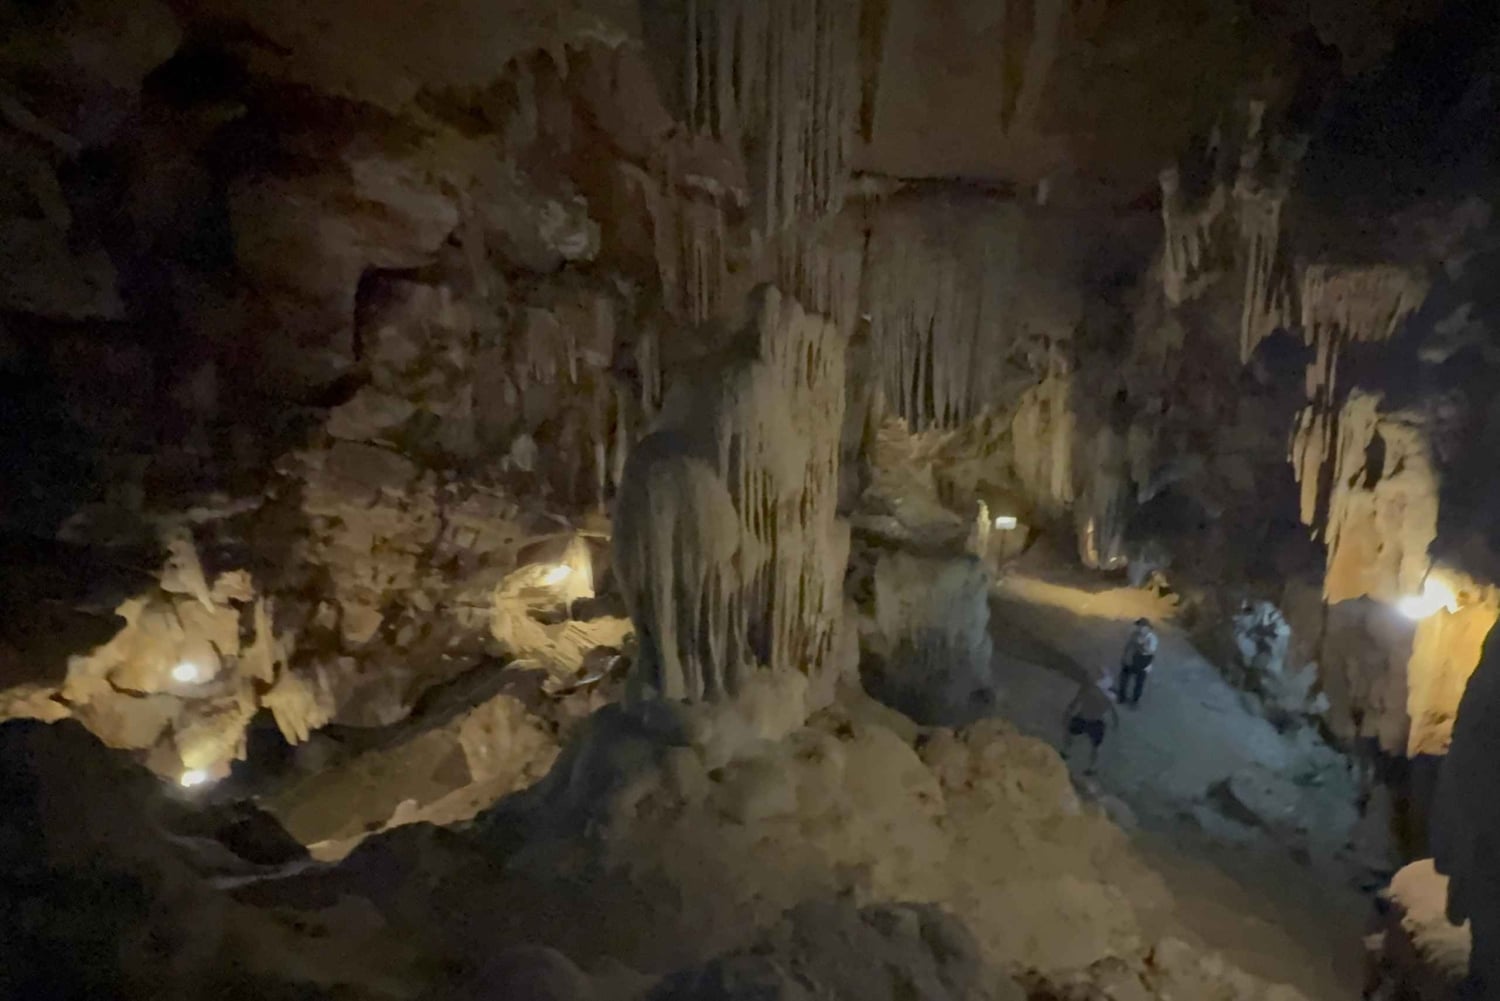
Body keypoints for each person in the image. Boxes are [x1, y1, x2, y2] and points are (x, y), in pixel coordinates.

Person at [1062, 674, 1120, 775]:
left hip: (1082, 718)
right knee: (1096, 747)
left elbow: (1074, 704)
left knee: (1070, 734)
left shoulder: (1087, 692)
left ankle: (1066, 753)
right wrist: (1115, 724)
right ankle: (1092, 768)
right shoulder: (1108, 699)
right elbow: (1114, 713)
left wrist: (1068, 712)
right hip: (1096, 723)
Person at [1116, 617, 1158, 707]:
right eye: (1139, 626)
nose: (1139, 628)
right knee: (1123, 679)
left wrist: (1142, 644)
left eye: (1141, 627)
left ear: (1148, 628)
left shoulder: (1152, 638)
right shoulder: (1135, 634)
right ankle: (1121, 697)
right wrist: (1124, 657)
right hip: (1130, 661)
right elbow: (1129, 646)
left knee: (1139, 684)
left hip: (1142, 664)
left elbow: (1151, 652)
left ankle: (1135, 700)